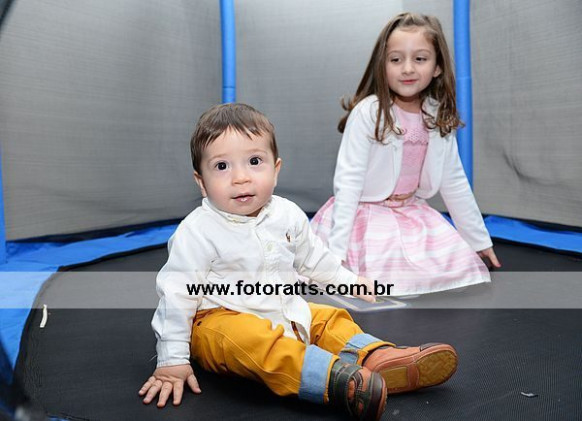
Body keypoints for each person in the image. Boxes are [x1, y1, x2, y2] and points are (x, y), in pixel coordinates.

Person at [138, 103, 458, 421]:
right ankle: (334, 380)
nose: (240, 178)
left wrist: (350, 281)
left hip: (284, 310)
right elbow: (177, 296)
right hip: (219, 320)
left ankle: (376, 357)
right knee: (249, 338)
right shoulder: (197, 231)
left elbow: (315, 260)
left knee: (327, 318)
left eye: (254, 161)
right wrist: (171, 361)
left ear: (275, 169)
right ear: (201, 181)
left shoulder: (287, 214)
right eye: (222, 166)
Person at [311, 12, 501, 297]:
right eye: (396, 59)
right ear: (382, 65)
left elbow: (453, 181)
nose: (408, 69)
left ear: (437, 67)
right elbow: (348, 183)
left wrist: (478, 241)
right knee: (383, 276)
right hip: (366, 214)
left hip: (411, 211)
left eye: (420, 59)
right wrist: (335, 253)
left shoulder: (436, 114)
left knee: (458, 267)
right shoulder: (369, 113)